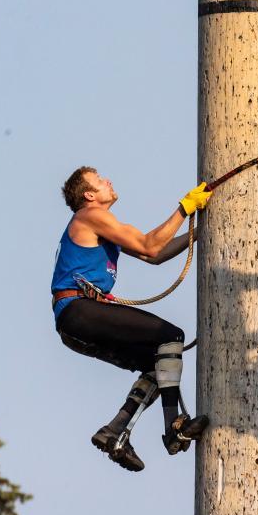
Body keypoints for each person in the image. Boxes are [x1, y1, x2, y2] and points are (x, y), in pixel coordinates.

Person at [51, 166, 212, 471]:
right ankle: (173, 428)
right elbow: (149, 244)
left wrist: (199, 233)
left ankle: (114, 431)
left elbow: (155, 255)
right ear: (89, 195)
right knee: (170, 336)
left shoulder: (97, 225)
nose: (107, 181)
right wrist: (184, 208)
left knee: (158, 365)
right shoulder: (91, 215)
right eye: (99, 180)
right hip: (78, 309)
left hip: (72, 320)